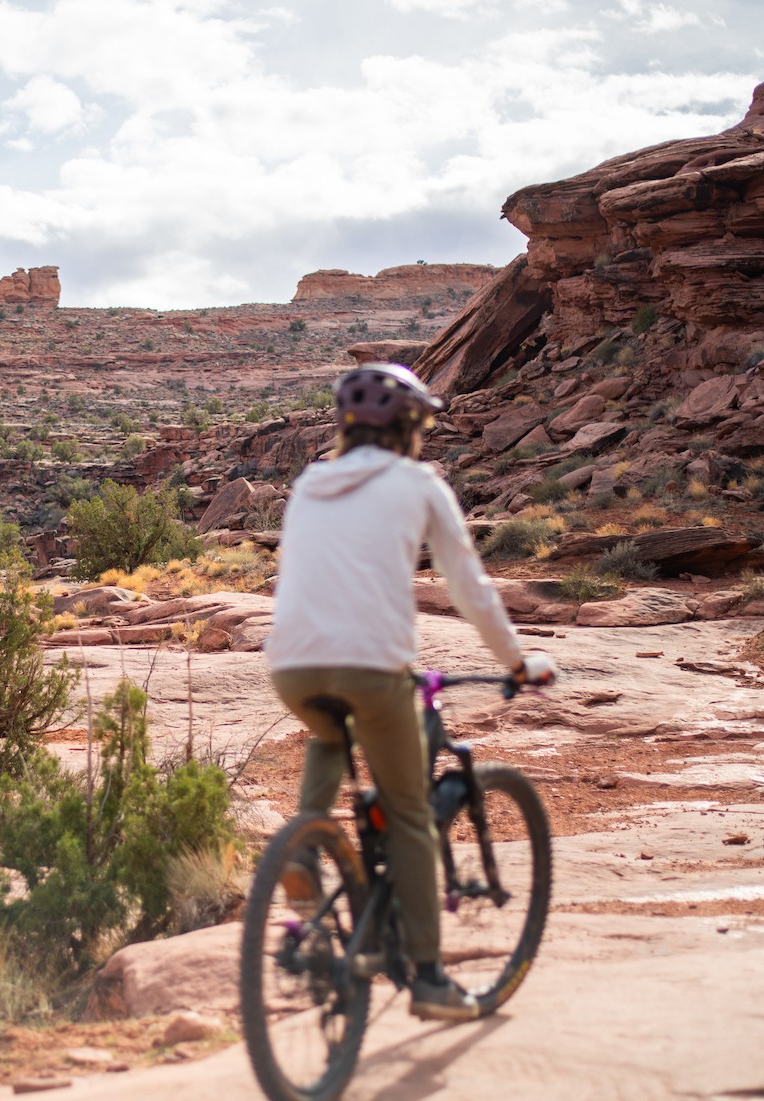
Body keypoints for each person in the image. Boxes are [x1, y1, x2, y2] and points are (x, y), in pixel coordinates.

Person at [265, 360, 555, 1022]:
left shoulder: (309, 481)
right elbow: (468, 586)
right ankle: (428, 979)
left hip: (291, 663)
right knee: (408, 815)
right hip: (371, 665)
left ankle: (303, 858)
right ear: (411, 426)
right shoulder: (418, 482)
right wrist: (516, 661)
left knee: (327, 731)